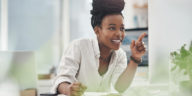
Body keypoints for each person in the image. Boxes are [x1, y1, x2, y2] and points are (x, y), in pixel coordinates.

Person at [51, 0, 147, 96]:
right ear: (97, 30)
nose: (119, 34)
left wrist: (135, 58)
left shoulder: (120, 55)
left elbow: (120, 87)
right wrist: (68, 89)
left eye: (122, 28)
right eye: (112, 28)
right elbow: (61, 80)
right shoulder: (79, 47)